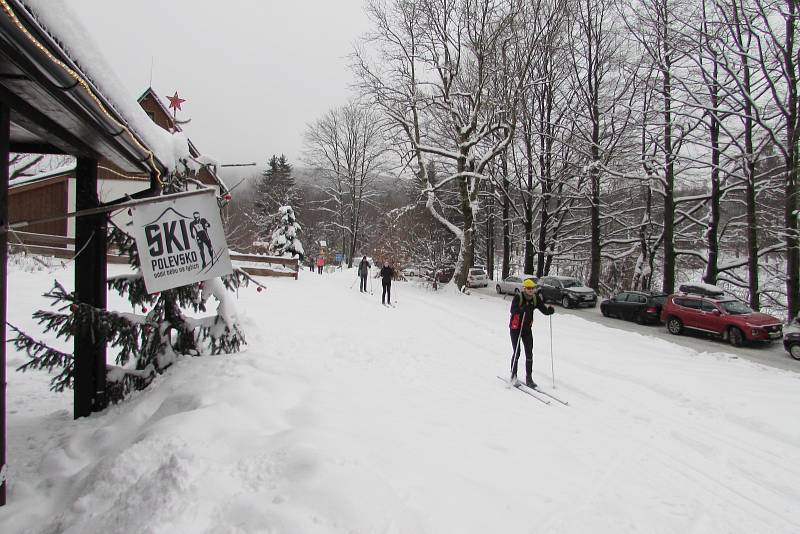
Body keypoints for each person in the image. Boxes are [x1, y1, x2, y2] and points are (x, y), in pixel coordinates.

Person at [509, 278, 554, 388]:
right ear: (524, 288)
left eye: (533, 288)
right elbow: (512, 310)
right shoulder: (518, 297)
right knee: (517, 352)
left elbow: (543, 310)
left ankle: (529, 378)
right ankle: (513, 376)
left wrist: (549, 311)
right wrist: (521, 309)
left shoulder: (535, 298)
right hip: (516, 328)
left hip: (527, 329)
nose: (531, 290)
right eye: (528, 288)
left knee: (529, 352)